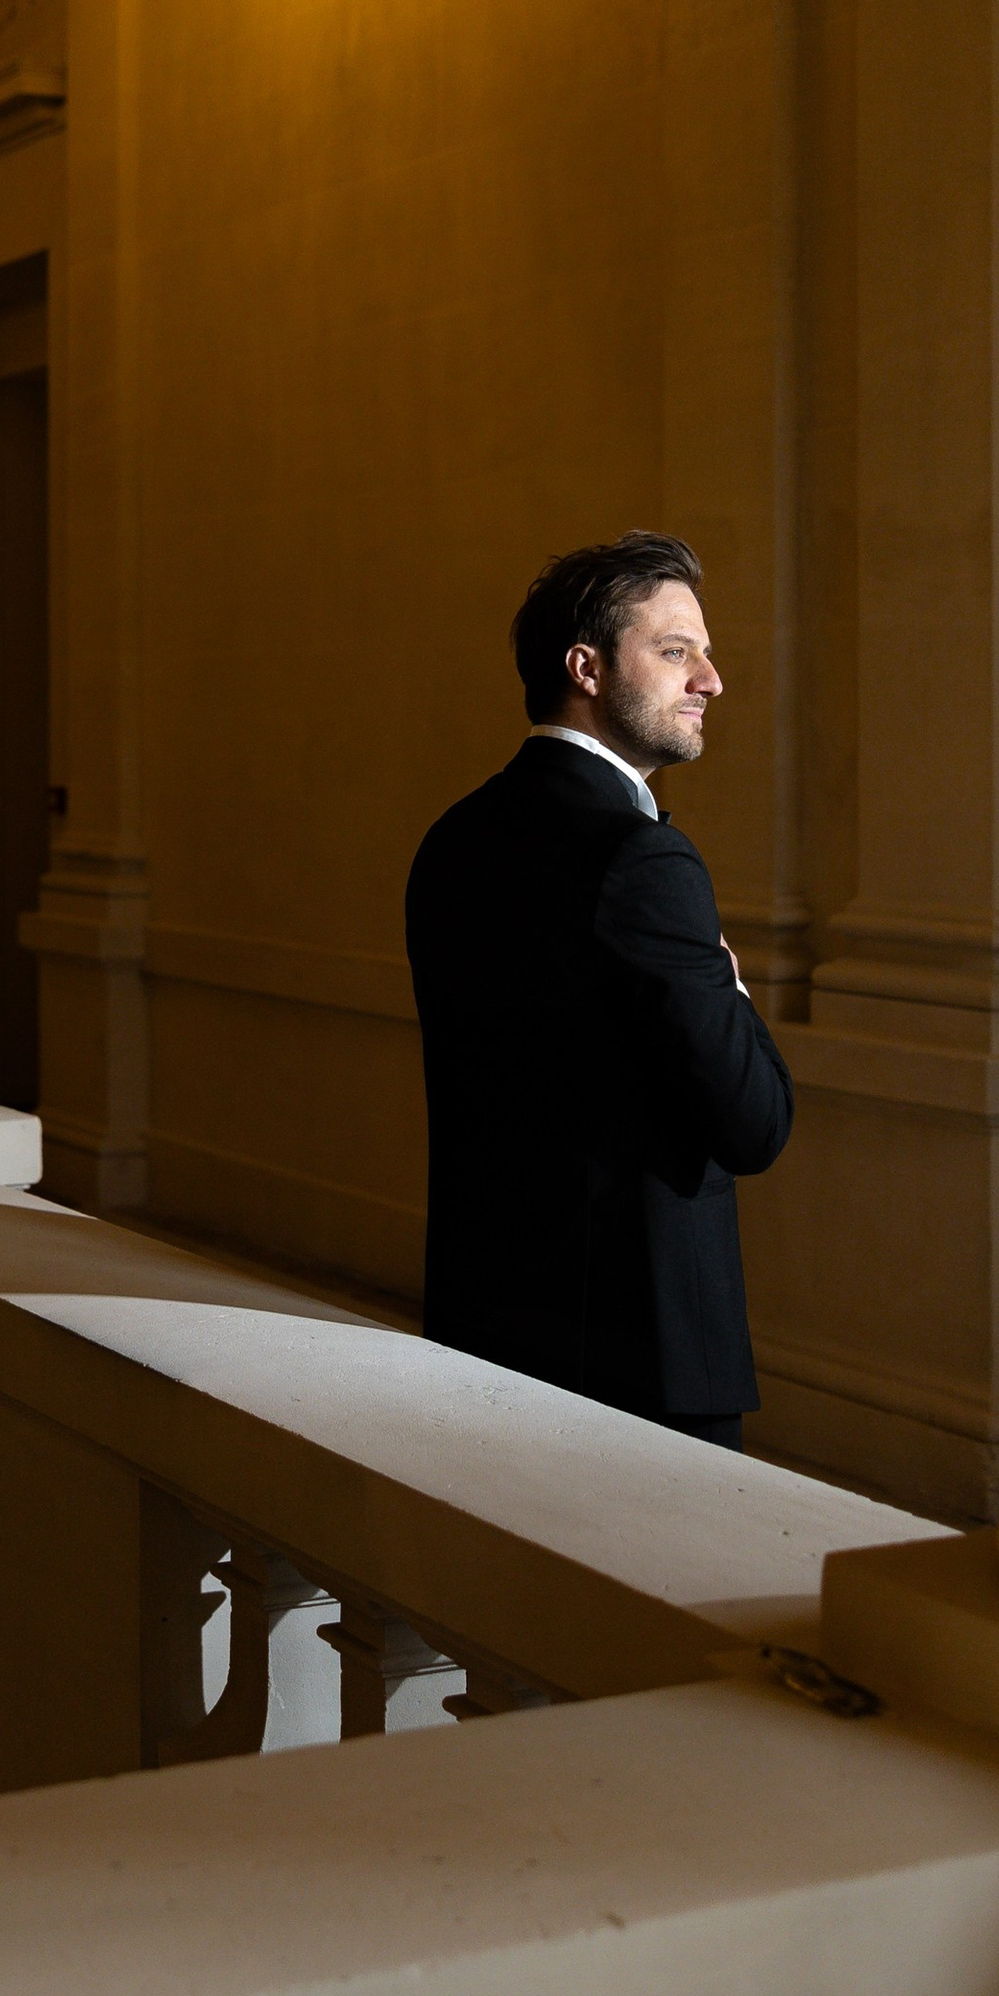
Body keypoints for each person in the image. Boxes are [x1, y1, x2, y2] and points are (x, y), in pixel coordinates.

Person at [405, 532, 793, 1449]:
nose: (710, 680)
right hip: (641, 1367)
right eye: (674, 651)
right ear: (585, 667)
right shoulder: (642, 858)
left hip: (483, 1338)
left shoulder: (453, 839)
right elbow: (755, 1123)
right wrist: (730, 991)